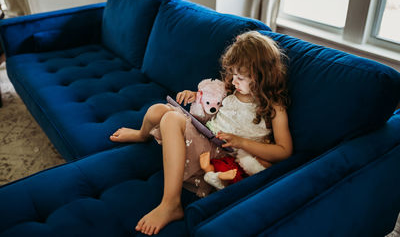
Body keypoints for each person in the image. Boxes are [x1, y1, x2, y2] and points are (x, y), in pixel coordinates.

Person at [110, 31, 293, 236]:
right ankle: (141, 135)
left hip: (220, 153)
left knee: (170, 119)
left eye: (240, 78)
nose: (234, 81)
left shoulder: (274, 107)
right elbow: (211, 107)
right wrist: (195, 96)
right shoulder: (233, 90)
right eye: (232, 75)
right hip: (206, 133)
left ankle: (171, 203)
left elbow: (284, 151)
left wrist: (242, 142)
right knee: (158, 110)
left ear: (261, 77)